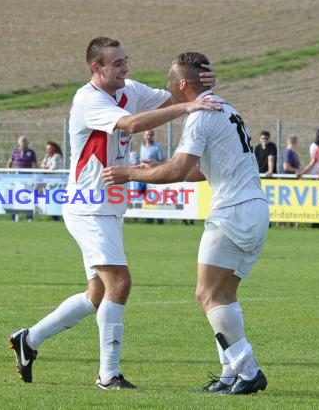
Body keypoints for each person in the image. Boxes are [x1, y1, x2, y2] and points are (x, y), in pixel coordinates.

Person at [8, 37, 220, 390]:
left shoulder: (129, 88)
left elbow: (172, 98)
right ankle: (108, 375)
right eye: (118, 63)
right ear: (97, 68)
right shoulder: (88, 99)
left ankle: (28, 340)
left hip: (109, 207)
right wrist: (187, 108)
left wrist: (196, 85)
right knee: (120, 283)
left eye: (126, 60)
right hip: (88, 207)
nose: (126, 68)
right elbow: (133, 124)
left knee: (97, 295)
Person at [103, 51, 269, 395]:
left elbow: (179, 169)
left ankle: (248, 370)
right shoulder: (226, 108)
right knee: (223, 295)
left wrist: (131, 173)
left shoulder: (199, 116)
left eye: (169, 81)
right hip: (254, 208)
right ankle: (229, 376)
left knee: (206, 294)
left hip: (232, 211)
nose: (166, 86)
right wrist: (152, 171)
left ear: (182, 84)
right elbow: (198, 170)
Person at [7, 135, 37, 221]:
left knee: (28, 196)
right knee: (15, 196)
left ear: (27, 143)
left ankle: (29, 216)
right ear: (18, 142)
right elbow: (10, 162)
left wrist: (35, 175)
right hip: (17, 177)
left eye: (25, 141)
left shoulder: (31, 152)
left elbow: (35, 164)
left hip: (28, 177)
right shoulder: (15, 151)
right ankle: (14, 216)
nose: (23, 143)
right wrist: (8, 173)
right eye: (22, 141)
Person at [138, 129, 166, 224]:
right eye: (147, 135)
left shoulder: (157, 147)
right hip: (144, 176)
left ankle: (159, 219)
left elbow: (162, 161)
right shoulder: (142, 146)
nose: (148, 137)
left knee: (157, 197)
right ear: (144, 136)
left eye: (150, 135)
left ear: (153, 136)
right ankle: (148, 218)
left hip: (155, 175)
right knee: (147, 197)